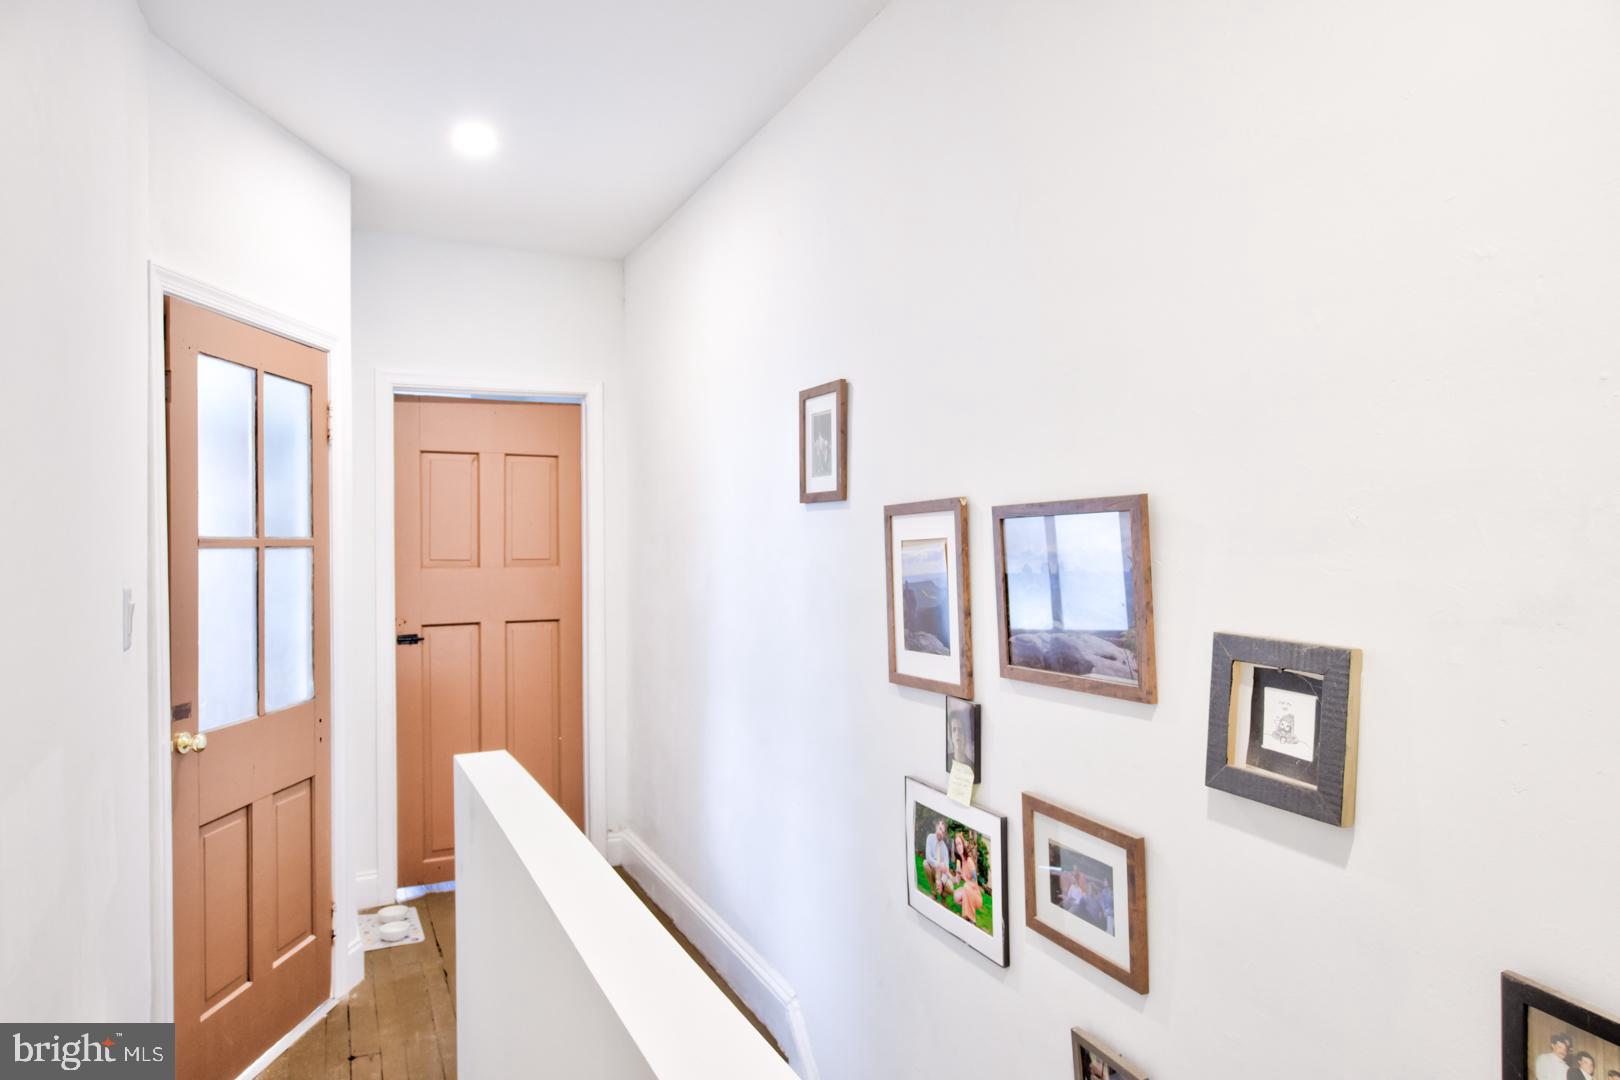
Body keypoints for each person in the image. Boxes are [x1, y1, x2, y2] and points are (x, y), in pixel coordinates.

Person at [923, 819, 955, 899]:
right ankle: (933, 893)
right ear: (937, 827)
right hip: (932, 869)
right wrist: (939, 865)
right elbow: (928, 857)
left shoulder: (944, 848)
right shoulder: (930, 837)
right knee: (925, 863)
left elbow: (946, 868)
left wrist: (941, 882)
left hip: (941, 875)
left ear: (945, 834)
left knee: (951, 888)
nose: (941, 833)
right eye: (940, 829)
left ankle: (943, 896)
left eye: (943, 832)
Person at [954, 853, 984, 926]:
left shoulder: (969, 861)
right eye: (957, 845)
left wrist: (964, 878)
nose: (958, 847)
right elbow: (957, 881)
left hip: (976, 895)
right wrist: (948, 873)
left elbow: (974, 882)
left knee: (966, 886)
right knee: (956, 896)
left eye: (960, 844)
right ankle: (966, 914)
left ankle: (972, 919)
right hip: (967, 890)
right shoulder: (959, 862)